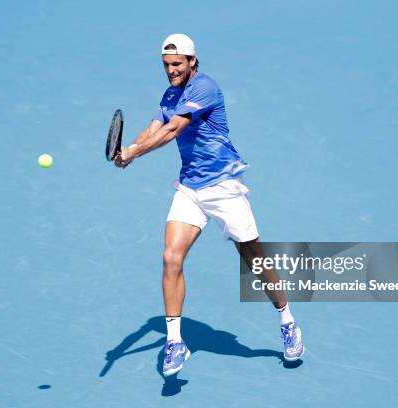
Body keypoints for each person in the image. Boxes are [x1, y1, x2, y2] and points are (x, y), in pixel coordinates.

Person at [114, 33, 304, 377]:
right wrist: (128, 150)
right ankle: (175, 341)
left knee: (252, 258)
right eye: (166, 65)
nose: (171, 71)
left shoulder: (205, 88)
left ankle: (287, 319)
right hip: (190, 188)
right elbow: (154, 127)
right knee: (171, 257)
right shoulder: (171, 93)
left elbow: (173, 130)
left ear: (192, 62)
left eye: (177, 64)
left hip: (224, 186)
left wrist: (134, 153)